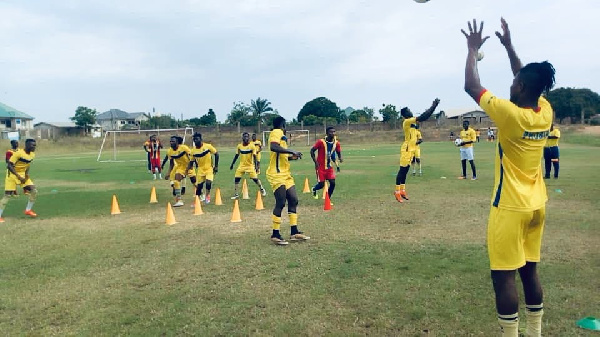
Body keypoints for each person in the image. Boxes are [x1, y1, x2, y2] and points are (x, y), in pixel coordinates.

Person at [462, 18, 555, 336]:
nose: (511, 85)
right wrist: (509, 46)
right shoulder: (544, 111)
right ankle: (535, 332)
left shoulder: (510, 114)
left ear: (522, 89)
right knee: (530, 272)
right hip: (537, 205)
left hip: (510, 207)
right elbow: (524, 76)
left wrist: (472, 50)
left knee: (503, 276)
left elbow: (471, 87)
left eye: (516, 84)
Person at [266, 116, 309, 245]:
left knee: (294, 199)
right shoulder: (276, 132)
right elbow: (273, 147)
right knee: (280, 202)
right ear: (283, 125)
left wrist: (291, 157)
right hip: (276, 174)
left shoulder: (281, 137)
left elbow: (280, 155)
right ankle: (275, 234)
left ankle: (294, 232)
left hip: (286, 174)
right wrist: (292, 150)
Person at [394, 99, 441, 203]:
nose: (410, 111)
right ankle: (397, 192)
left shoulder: (413, 124)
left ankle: (402, 190)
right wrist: (433, 106)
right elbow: (423, 117)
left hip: (412, 150)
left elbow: (424, 118)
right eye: (408, 110)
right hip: (406, 149)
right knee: (402, 170)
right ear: (405, 115)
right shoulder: (407, 121)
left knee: (406, 171)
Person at [0, 139, 38, 222]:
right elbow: (9, 166)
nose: (34, 147)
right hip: (12, 174)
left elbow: (27, 165)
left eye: (35, 145)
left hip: (22, 175)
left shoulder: (32, 154)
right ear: (27, 145)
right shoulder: (18, 153)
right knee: (7, 195)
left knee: (34, 190)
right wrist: (18, 176)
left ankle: (28, 210)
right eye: (32, 145)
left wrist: (26, 175)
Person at [230, 132, 266, 199]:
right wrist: (232, 164)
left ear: (249, 138)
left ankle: (262, 189)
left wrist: (256, 167)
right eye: (245, 137)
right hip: (241, 166)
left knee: (255, 179)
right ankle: (236, 194)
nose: (246, 138)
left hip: (250, 166)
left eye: (247, 137)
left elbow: (255, 157)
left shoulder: (252, 146)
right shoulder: (239, 146)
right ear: (242, 138)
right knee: (236, 179)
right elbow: (236, 156)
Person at [310, 127, 343, 202]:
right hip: (320, 167)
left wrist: (340, 157)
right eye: (331, 132)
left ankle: (328, 199)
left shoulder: (336, 143)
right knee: (321, 184)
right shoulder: (321, 142)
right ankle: (314, 189)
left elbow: (338, 151)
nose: (333, 133)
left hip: (329, 167)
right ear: (327, 133)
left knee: (333, 183)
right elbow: (312, 151)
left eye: (334, 132)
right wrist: (315, 162)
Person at [187, 133, 219, 204]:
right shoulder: (193, 151)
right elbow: (191, 162)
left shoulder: (208, 146)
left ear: (201, 140)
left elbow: (216, 154)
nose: (195, 141)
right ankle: (197, 200)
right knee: (199, 187)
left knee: (208, 182)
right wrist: (187, 170)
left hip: (209, 168)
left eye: (197, 139)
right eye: (194, 140)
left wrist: (216, 166)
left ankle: (207, 195)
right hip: (200, 170)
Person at [164, 135, 192, 207]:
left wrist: (190, 166)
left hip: (189, 165)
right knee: (176, 181)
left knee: (194, 181)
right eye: (170, 141)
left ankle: (201, 194)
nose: (171, 142)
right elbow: (171, 164)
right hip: (180, 167)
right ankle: (179, 200)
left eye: (173, 141)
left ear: (177, 142)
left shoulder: (184, 148)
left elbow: (192, 156)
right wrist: (168, 173)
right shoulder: (169, 151)